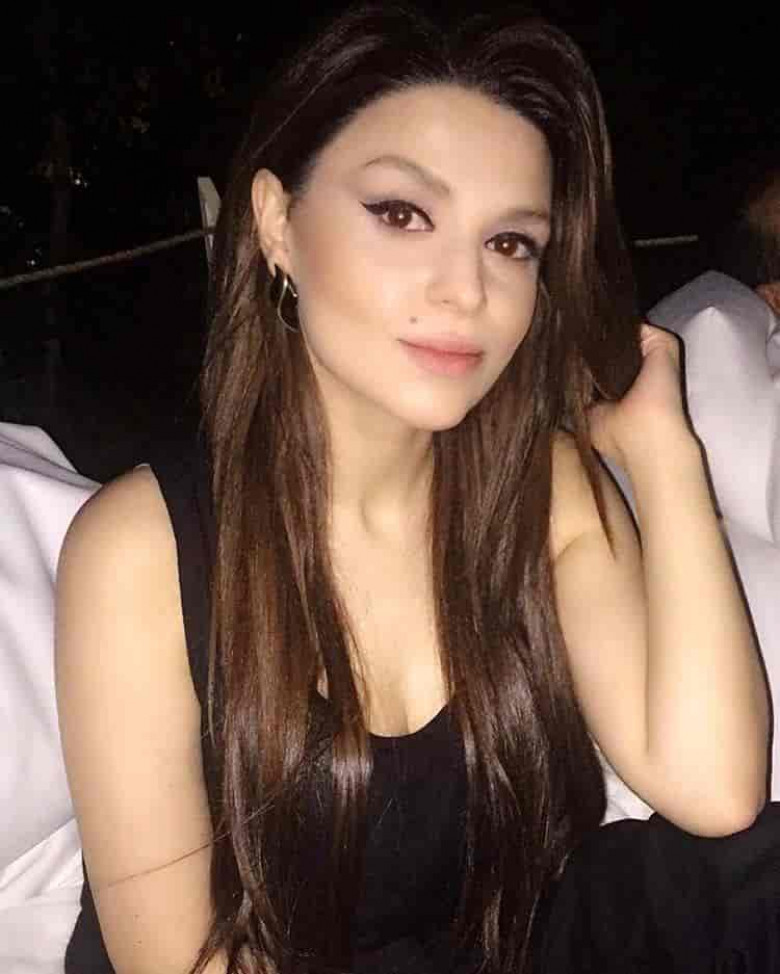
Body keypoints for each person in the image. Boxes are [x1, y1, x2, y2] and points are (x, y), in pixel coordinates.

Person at [54, 5, 772, 974]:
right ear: (276, 223)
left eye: (510, 243)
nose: (465, 289)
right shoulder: (143, 547)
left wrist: (665, 457)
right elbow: (181, 960)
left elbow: (715, 791)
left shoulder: (540, 488)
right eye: (402, 214)